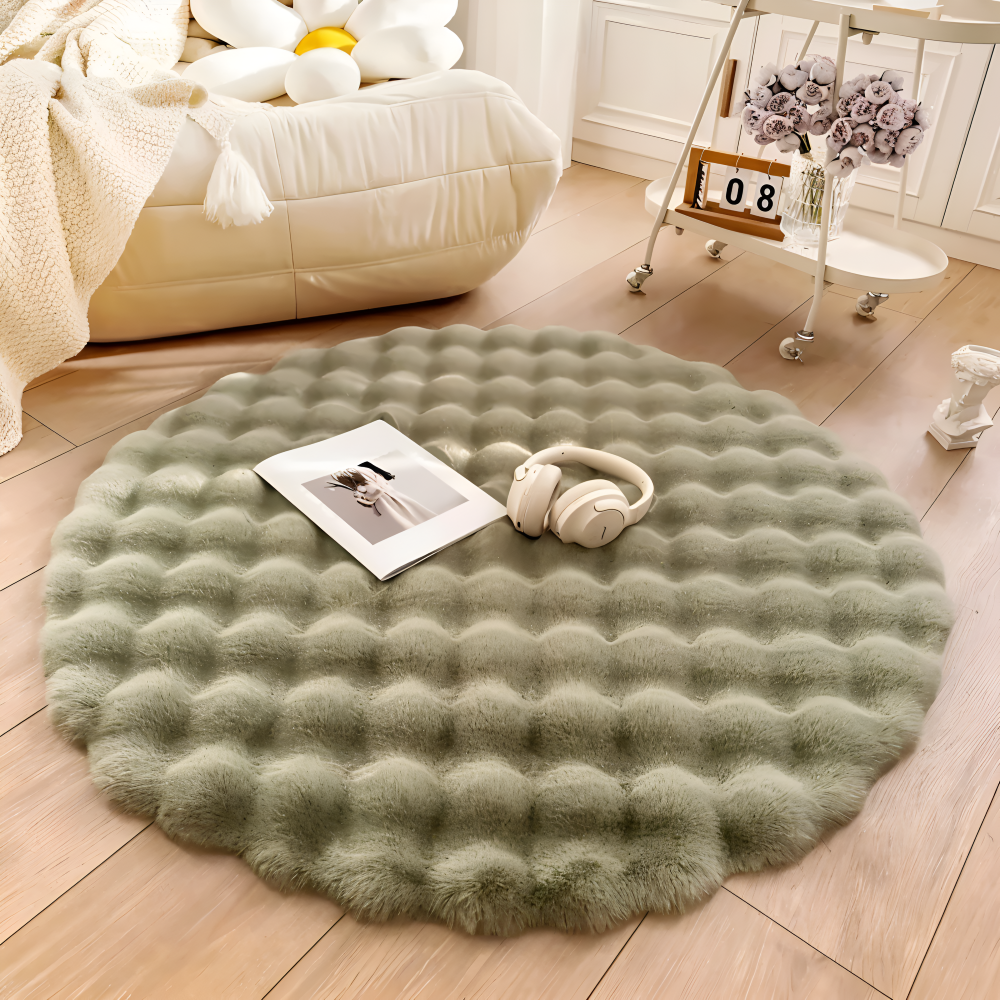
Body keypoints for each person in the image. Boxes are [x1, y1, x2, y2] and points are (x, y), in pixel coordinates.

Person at [325, 465, 437, 532]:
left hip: (386, 502)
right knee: (415, 516)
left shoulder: (354, 471)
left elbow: (375, 491)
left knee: (406, 521)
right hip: (391, 499)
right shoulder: (361, 470)